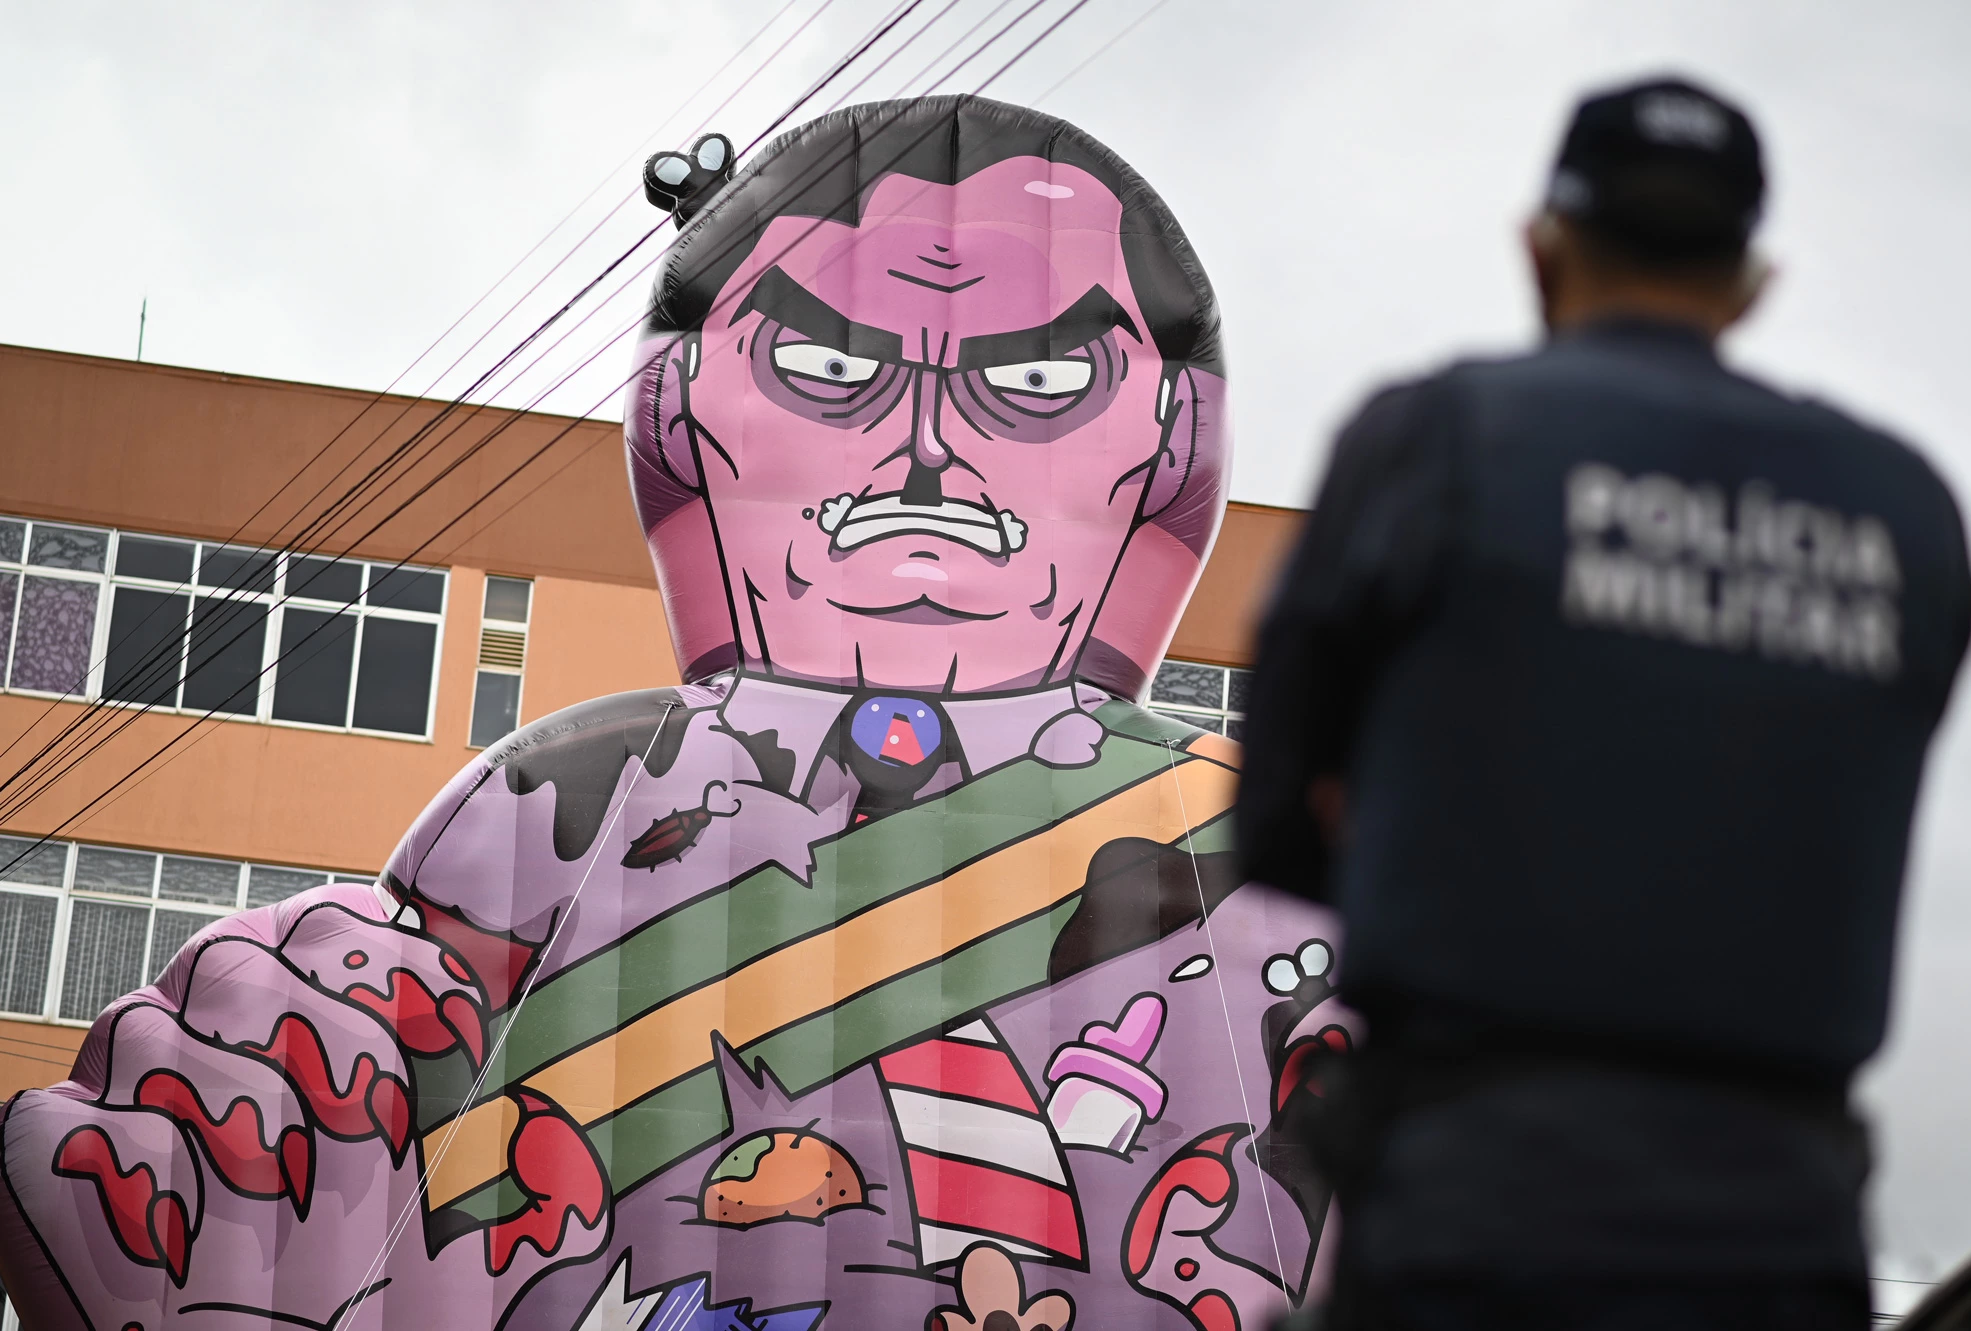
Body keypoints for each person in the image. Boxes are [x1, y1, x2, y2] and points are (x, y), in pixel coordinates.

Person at [0, 96, 1347, 1331]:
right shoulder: (566, 805)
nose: (930, 448)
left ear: (1169, 438)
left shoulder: (1277, 861)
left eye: (1039, 382)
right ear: (690, 411)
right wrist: (258, 1183)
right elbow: (301, 1184)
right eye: (831, 366)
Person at [1240, 75, 1971, 1330]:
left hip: (1474, 1208)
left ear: (1543, 247)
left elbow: (1271, 819)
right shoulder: (1905, 512)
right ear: (1751, 282)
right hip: (1781, 1230)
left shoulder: (1438, 438)